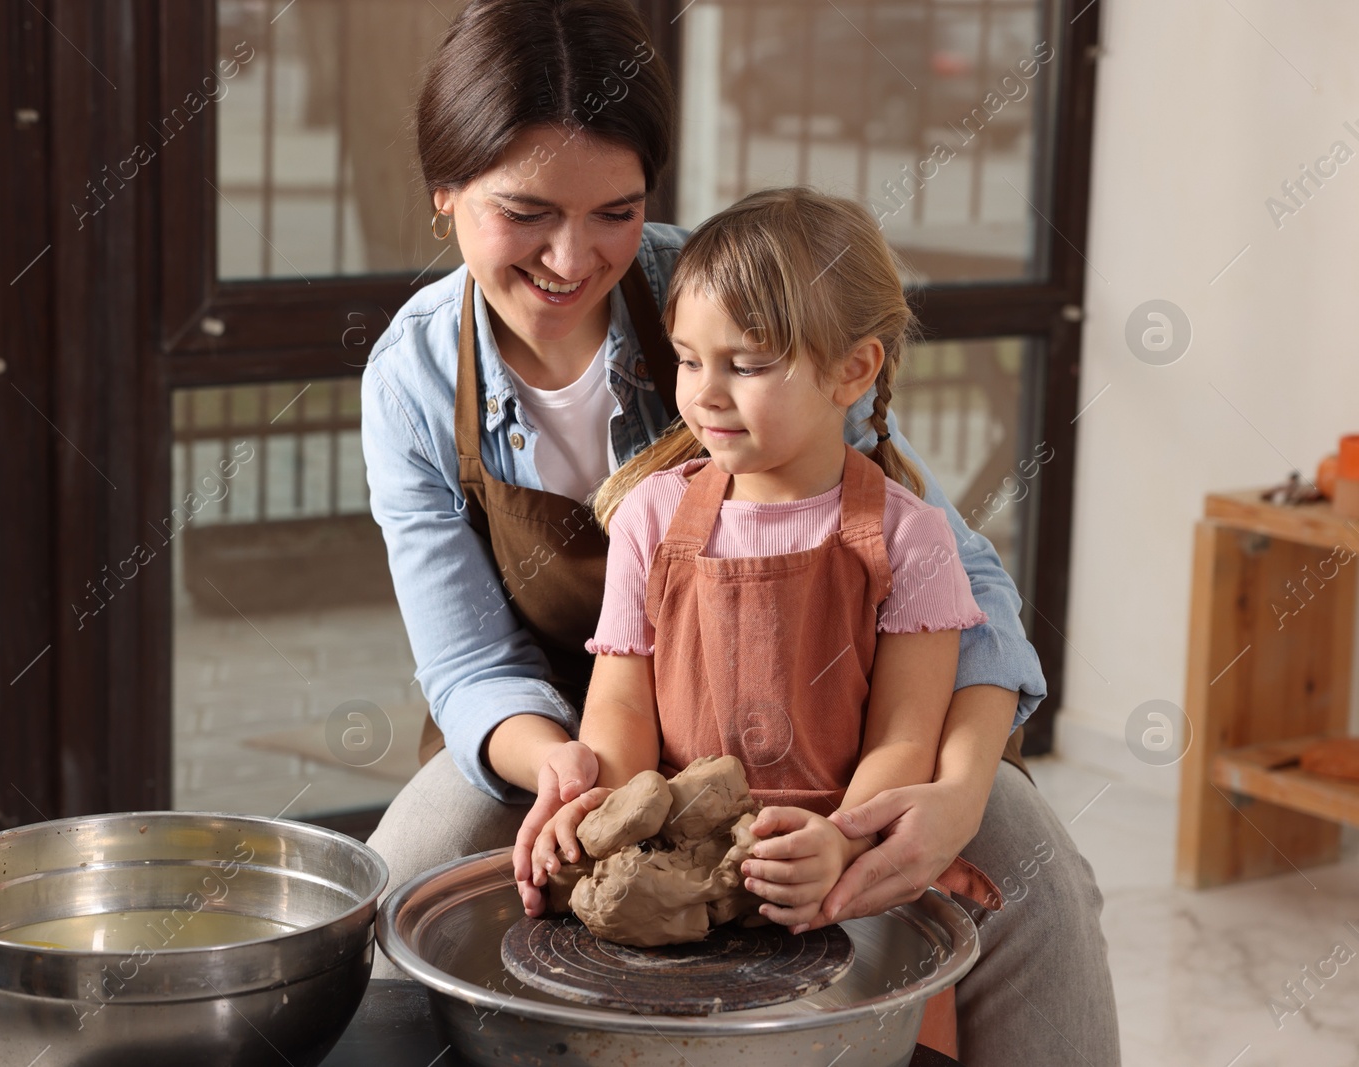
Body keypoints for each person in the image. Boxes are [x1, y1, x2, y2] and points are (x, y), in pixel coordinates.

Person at [359, 2, 1119, 1063]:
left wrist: (949, 793)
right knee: (403, 885)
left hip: (834, 710)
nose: (574, 258)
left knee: (1029, 862)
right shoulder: (413, 376)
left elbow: (960, 578)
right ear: (445, 195)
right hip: (576, 727)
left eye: (615, 211)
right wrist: (578, 776)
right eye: (525, 212)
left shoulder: (731, 295)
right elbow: (471, 664)